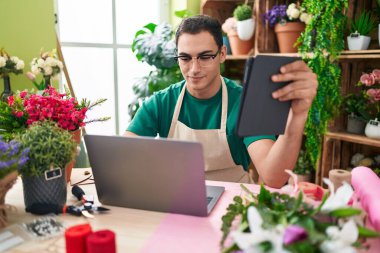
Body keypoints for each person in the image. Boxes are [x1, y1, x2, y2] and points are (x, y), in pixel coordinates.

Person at [124, 15, 318, 188]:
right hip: (177, 202)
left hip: (232, 206)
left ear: (222, 54)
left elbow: (273, 178)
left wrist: (297, 116)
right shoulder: (161, 103)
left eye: (205, 56)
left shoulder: (245, 103)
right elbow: (123, 160)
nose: (194, 69)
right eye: (185, 58)